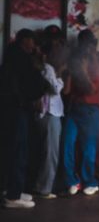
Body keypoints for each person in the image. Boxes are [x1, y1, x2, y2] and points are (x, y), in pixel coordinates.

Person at [1, 29, 49, 209]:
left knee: (12, 149)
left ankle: (11, 189)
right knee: (18, 150)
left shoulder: (11, 54)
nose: (34, 46)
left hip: (11, 109)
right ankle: (13, 196)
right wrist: (39, 63)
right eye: (32, 41)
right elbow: (36, 82)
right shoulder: (21, 58)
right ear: (24, 40)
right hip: (18, 108)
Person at [63, 29, 99, 196]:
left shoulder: (97, 63)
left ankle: (89, 181)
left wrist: (81, 69)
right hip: (74, 109)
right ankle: (72, 181)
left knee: (88, 149)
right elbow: (66, 90)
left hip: (89, 110)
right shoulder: (76, 61)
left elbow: (91, 88)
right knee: (67, 145)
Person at [34, 29, 66, 199]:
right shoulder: (48, 68)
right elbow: (54, 89)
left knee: (46, 152)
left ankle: (42, 186)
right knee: (50, 154)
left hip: (47, 114)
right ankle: (45, 188)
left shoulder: (44, 66)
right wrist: (60, 73)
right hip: (49, 113)